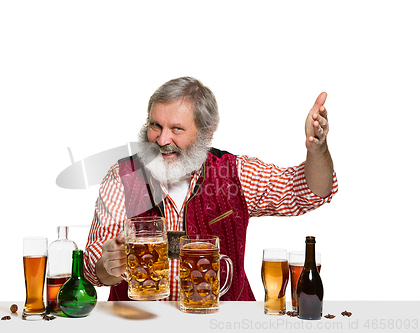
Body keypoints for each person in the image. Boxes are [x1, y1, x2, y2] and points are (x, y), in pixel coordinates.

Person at [83, 76, 338, 301]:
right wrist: (107, 266)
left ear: (206, 134)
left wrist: (317, 150)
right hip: (141, 325)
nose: (162, 140)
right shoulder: (124, 176)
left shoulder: (234, 173)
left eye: (177, 129)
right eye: (155, 126)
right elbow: (93, 265)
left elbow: (309, 192)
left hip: (222, 323)